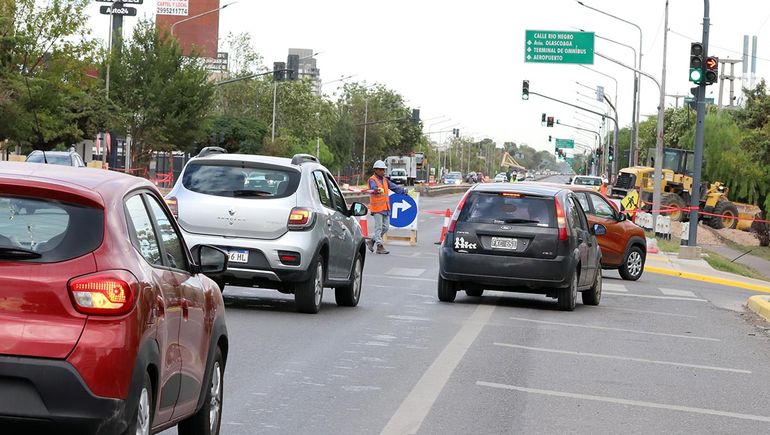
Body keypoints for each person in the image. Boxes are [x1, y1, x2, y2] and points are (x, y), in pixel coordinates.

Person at [367, 160, 405, 254]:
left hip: (385, 208)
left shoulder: (385, 180)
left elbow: (394, 187)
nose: (383, 172)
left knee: (386, 227)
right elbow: (373, 188)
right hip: (377, 209)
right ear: (376, 170)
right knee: (379, 227)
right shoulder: (372, 179)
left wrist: (403, 191)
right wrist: (376, 190)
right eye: (381, 170)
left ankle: (372, 241)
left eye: (383, 170)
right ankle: (379, 246)